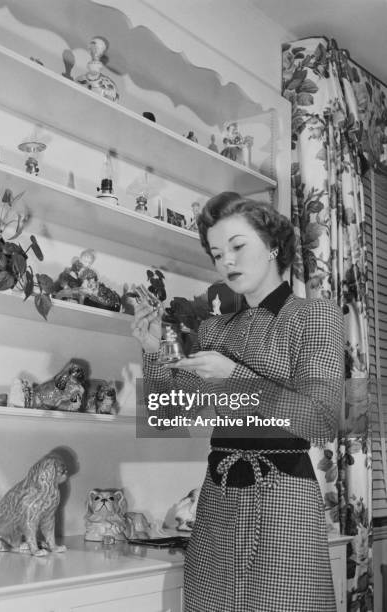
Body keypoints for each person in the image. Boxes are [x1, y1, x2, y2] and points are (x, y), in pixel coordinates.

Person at [132, 192, 344, 611]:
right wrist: (154, 350)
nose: (226, 261)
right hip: (218, 501)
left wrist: (235, 377)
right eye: (216, 253)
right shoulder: (213, 332)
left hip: (286, 497)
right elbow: (166, 416)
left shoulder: (314, 316)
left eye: (237, 246)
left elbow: (321, 422)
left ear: (273, 247)